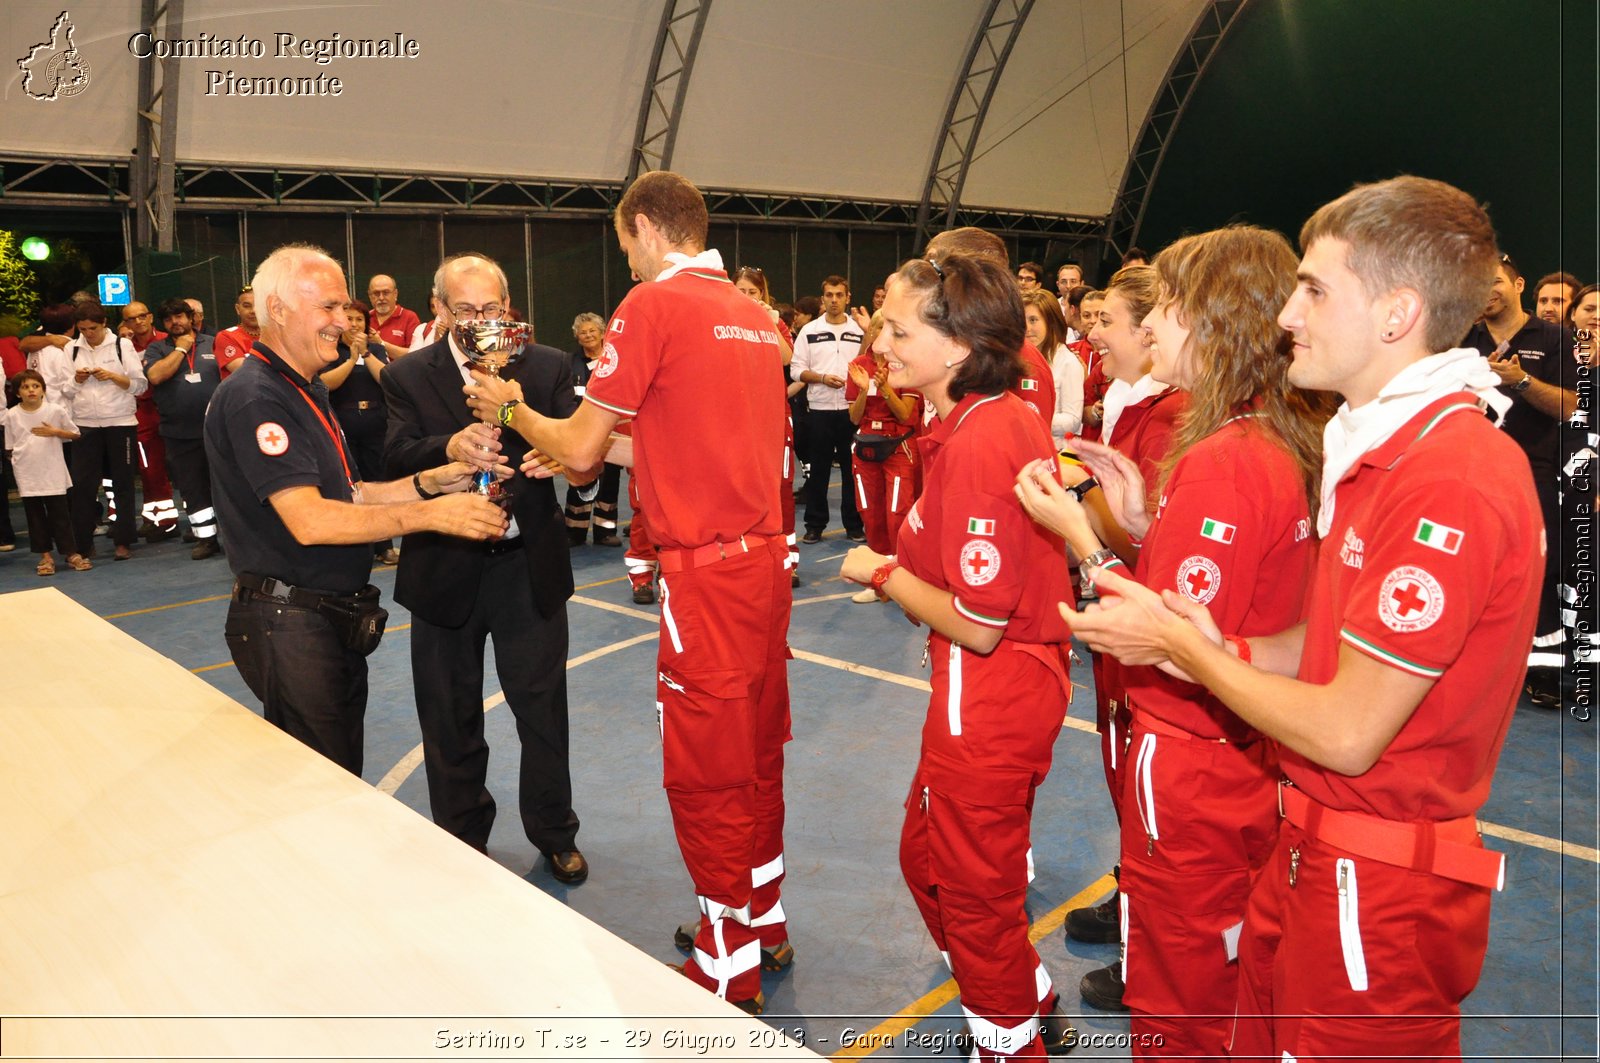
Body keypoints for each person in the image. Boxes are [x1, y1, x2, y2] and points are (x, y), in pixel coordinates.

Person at [1066, 175, 1538, 1060]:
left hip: (1377, 883)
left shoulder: (1449, 477)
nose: (1287, 314)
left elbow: (1352, 730)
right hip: (1311, 851)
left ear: (1397, 313)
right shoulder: (1379, 452)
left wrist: (1181, 647)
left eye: (1316, 289)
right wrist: (1223, 643)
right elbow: (1326, 651)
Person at [463, 170, 792, 1014]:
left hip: (705, 580)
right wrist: (575, 448)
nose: (629, 266)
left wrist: (511, 410)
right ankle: (763, 916)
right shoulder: (757, 319)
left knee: (705, 768)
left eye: (625, 248)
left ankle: (727, 963)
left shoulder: (652, 308)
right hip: (762, 567)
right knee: (755, 750)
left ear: (646, 227)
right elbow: (662, 448)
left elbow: (577, 444)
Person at [1017, 225, 1328, 1057]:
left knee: (1179, 990)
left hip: (1195, 762)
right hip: (1238, 755)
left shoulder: (1224, 458)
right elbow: (1223, 602)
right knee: (1224, 970)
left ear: (1218, 321)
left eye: (1171, 308)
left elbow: (1160, 635)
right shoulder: (1265, 436)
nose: (1151, 326)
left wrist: (1077, 535)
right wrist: (1147, 527)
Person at [839, 254, 1078, 1059]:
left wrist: (885, 572)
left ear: (957, 344)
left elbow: (979, 621)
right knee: (927, 857)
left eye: (899, 329)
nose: (881, 341)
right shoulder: (973, 422)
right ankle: (1025, 993)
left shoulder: (980, 439)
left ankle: (1008, 1038)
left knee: (972, 889)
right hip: (984, 686)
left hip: (990, 689)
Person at [205, 244, 507, 776]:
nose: (342, 321)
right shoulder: (258, 397)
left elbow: (349, 494)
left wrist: (430, 482)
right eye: (327, 307)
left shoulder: (303, 388)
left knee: (338, 773)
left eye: (344, 308)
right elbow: (311, 519)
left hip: (322, 619)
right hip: (291, 622)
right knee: (325, 785)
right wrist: (431, 516)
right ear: (276, 310)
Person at [381, 253, 589, 881]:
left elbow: (581, 453)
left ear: (509, 307)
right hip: (444, 566)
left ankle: (555, 831)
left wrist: (559, 459)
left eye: (490, 309)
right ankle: (462, 836)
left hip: (527, 565)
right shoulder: (408, 375)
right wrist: (448, 448)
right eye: (465, 310)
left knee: (542, 710)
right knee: (449, 714)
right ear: (439, 308)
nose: (479, 320)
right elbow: (392, 458)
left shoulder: (545, 365)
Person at [1462, 254, 1576, 706]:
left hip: (1536, 474)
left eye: (1494, 281)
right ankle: (1476, 669)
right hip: (1471, 474)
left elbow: (1571, 406)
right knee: (1471, 569)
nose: (1486, 291)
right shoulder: (1461, 339)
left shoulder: (1555, 338)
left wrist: (1522, 380)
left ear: (1518, 283)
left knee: (1540, 574)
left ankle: (1543, 674)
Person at [61, 302, 147, 561]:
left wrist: (112, 376)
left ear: (104, 324)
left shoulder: (123, 345)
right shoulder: (71, 348)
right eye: (83, 329)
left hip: (120, 423)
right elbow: (64, 391)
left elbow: (139, 386)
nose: (88, 334)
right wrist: (77, 380)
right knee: (83, 487)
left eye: (93, 328)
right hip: (84, 423)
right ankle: (84, 543)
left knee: (122, 484)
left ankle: (123, 542)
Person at [844, 311, 920, 601]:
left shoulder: (906, 365)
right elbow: (853, 417)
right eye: (876, 327)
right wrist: (864, 390)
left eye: (887, 327)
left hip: (897, 447)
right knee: (871, 514)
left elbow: (906, 415)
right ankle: (876, 583)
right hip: (865, 449)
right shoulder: (857, 366)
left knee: (897, 515)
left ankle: (903, 581)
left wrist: (885, 387)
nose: (879, 332)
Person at [732, 267, 800, 584]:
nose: (746, 298)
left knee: (781, 486)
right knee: (738, 486)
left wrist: (769, 321)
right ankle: (744, 556)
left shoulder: (774, 321)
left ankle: (787, 558)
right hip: (737, 419)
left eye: (752, 292)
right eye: (740, 291)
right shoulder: (724, 322)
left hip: (773, 417)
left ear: (763, 295)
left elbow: (786, 358)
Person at [321, 299, 400, 566]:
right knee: (348, 485)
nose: (354, 325)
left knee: (378, 483)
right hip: (342, 424)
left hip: (376, 424)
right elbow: (325, 384)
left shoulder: (376, 348)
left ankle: (384, 546)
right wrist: (351, 359)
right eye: (350, 319)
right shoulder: (330, 350)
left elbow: (388, 381)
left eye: (359, 320)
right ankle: (355, 545)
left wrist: (366, 355)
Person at [143, 298, 224, 559]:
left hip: (217, 429)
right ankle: (206, 539)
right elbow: (155, 377)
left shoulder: (215, 342)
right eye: (168, 319)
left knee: (226, 484)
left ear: (191, 318)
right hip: (178, 433)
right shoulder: (157, 349)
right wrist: (180, 350)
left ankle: (235, 537)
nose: (175, 322)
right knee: (192, 487)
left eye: (179, 316)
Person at [792, 275, 866, 543]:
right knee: (819, 471)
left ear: (848, 298)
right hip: (820, 411)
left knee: (852, 470)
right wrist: (822, 378)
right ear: (823, 298)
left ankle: (854, 524)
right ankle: (814, 525)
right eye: (829, 295)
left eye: (839, 295)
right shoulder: (809, 331)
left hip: (852, 411)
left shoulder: (860, 332)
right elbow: (797, 370)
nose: (834, 300)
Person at [4, 369, 90, 576]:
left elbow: (75, 434)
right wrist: (20, 462)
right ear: (18, 393)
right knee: (35, 516)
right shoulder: (12, 415)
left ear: (43, 390)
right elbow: (10, 446)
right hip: (27, 473)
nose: (31, 391)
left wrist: (56, 432)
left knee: (60, 514)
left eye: (35, 386)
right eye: (25, 387)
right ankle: (45, 556)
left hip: (52, 470)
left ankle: (71, 553)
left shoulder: (55, 411)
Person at [562, 312, 625, 547]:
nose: (588, 336)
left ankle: (605, 531)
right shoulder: (569, 363)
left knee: (609, 482)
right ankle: (574, 531)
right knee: (579, 480)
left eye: (592, 331)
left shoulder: (615, 360)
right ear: (576, 337)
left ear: (602, 334)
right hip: (581, 433)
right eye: (583, 332)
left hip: (612, 433)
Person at [1020, 289, 1084, 448]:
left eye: (1033, 320)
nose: (1027, 328)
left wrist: (1032, 416)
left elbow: (1073, 420)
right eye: (1022, 321)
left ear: (1051, 321)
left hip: (1053, 451)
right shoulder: (1015, 359)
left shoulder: (1068, 362)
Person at [366, 274, 421, 362]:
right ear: (369, 296)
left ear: (395, 294)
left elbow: (415, 355)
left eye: (386, 293)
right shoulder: (364, 318)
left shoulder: (409, 317)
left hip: (400, 374)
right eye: (376, 293)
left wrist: (381, 343)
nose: (381, 298)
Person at [216, 286, 260, 377]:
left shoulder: (276, 334)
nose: (253, 311)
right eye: (247, 306)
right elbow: (245, 372)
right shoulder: (226, 336)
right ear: (237, 309)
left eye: (258, 305)